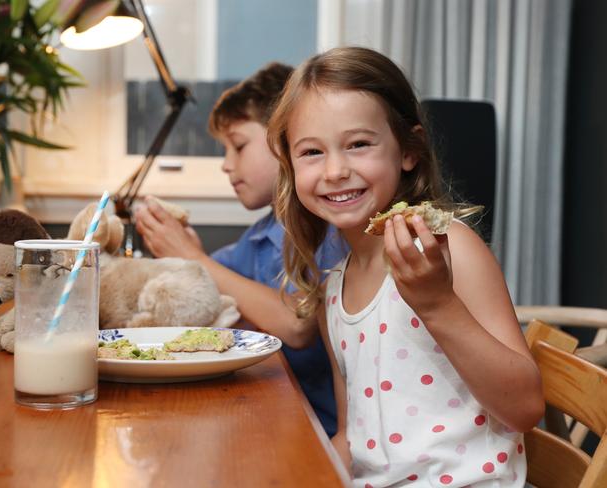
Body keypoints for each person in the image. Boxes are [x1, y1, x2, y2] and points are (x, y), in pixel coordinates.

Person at [267, 46, 544, 487]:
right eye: (311, 152)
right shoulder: (334, 290)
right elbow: (351, 437)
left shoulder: (451, 249)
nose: (336, 170)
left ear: (408, 150)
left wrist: (437, 304)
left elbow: (525, 408)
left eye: (359, 144)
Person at [134, 62, 348, 437]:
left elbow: (298, 326)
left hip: (322, 432)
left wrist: (193, 258)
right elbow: (214, 283)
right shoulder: (258, 237)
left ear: (284, 138)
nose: (226, 165)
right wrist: (187, 260)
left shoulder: (333, 230)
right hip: (270, 413)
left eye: (238, 145)